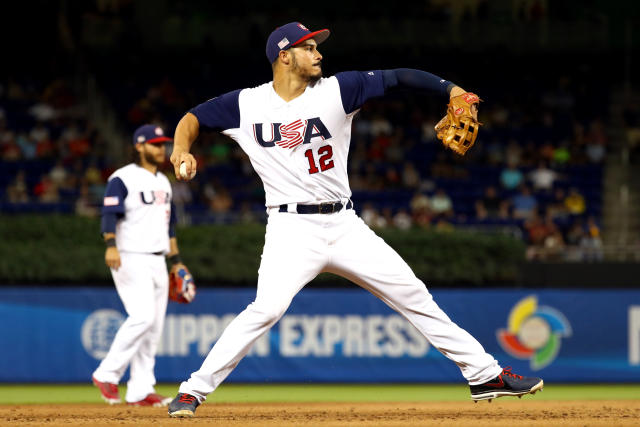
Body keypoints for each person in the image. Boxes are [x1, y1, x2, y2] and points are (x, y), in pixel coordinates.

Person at [167, 22, 543, 417]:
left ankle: (483, 374)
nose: (318, 54)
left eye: (316, 47)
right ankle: (193, 391)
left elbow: (398, 77)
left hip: (344, 225)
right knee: (266, 309)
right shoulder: (247, 104)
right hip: (290, 229)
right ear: (284, 55)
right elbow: (193, 118)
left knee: (413, 293)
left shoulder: (338, 90)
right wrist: (180, 150)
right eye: (308, 47)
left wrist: (451, 89)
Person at [91, 124, 185, 407]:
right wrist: (110, 245)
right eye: (155, 144)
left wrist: (177, 263)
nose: (161, 148)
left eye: (163, 143)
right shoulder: (122, 178)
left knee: (153, 327)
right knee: (142, 316)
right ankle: (107, 373)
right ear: (139, 146)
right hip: (129, 255)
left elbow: (169, 228)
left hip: (158, 259)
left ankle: (141, 390)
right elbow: (109, 213)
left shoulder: (165, 182)